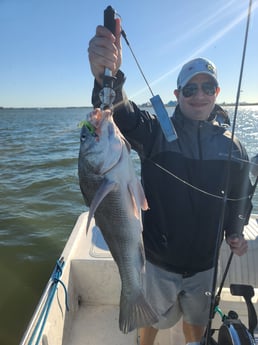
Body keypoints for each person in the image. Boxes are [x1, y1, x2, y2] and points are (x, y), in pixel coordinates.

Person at [87, 22, 253, 345]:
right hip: (158, 263)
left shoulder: (233, 147)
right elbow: (124, 115)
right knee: (150, 318)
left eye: (208, 88)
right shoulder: (156, 131)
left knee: (197, 321)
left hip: (206, 264)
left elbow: (238, 198)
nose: (199, 95)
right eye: (190, 89)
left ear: (217, 93)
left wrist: (234, 231)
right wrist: (108, 76)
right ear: (177, 95)